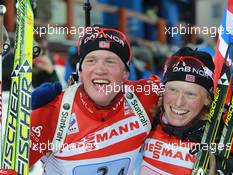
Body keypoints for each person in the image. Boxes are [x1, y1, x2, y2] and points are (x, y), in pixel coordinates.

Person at [29, 25, 161, 175]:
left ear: (125, 73)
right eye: (91, 60)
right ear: (80, 70)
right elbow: (11, 165)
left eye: (110, 61)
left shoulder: (144, 97)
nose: (100, 70)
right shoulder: (53, 114)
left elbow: (186, 93)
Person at [140, 47, 233, 175]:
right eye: (173, 90)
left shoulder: (224, 133)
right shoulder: (148, 119)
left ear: (208, 99)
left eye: (190, 94)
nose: (179, 103)